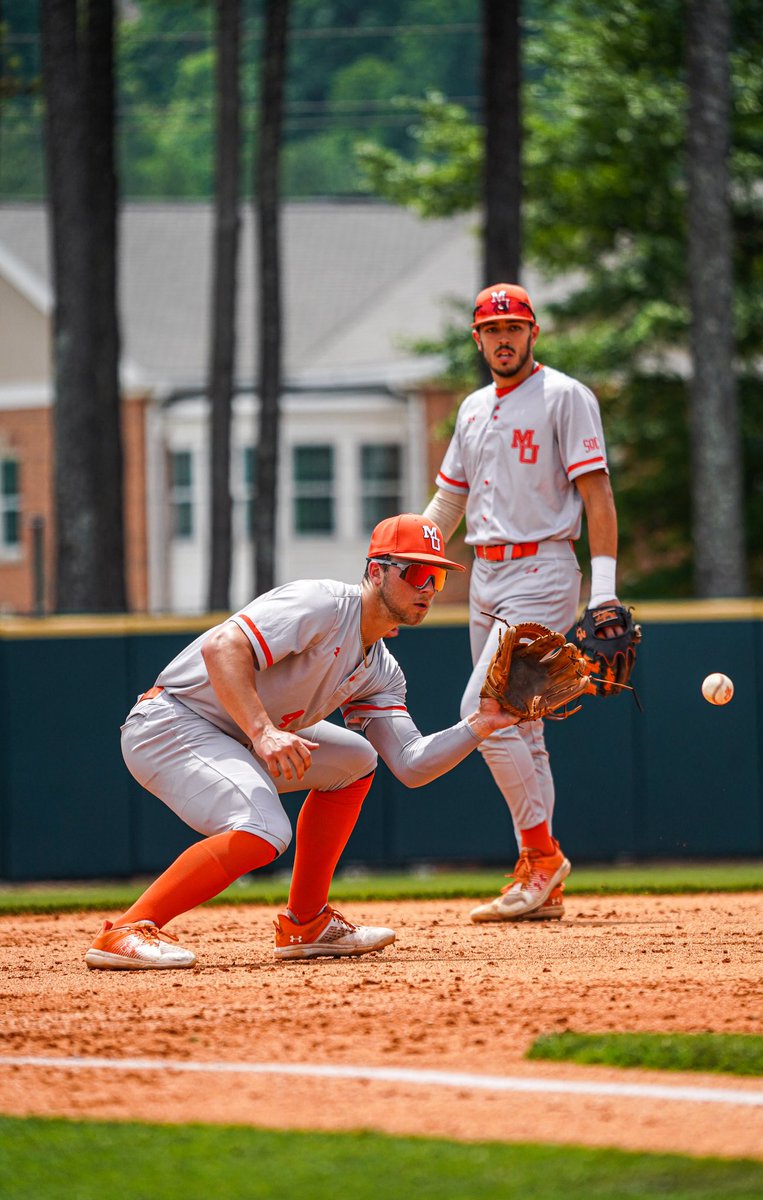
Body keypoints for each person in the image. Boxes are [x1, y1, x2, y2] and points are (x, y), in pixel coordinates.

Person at [85, 513, 521, 970]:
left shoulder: (381, 671)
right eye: (414, 572)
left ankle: (305, 923)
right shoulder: (323, 604)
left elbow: (411, 765)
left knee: (356, 759)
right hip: (172, 721)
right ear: (376, 571)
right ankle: (129, 928)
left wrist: (482, 723)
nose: (428, 587)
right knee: (264, 829)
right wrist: (263, 730)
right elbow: (222, 648)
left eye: (436, 575)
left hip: (240, 734)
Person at [422, 283, 622, 923]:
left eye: (515, 326)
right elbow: (449, 504)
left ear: (533, 333)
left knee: (483, 709)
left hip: (543, 567)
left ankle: (541, 856)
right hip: (484, 574)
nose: (504, 337)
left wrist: (606, 592)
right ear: (477, 339)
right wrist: (417, 560)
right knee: (522, 727)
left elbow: (597, 498)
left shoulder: (565, 396)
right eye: (492, 329)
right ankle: (542, 882)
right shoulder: (474, 408)